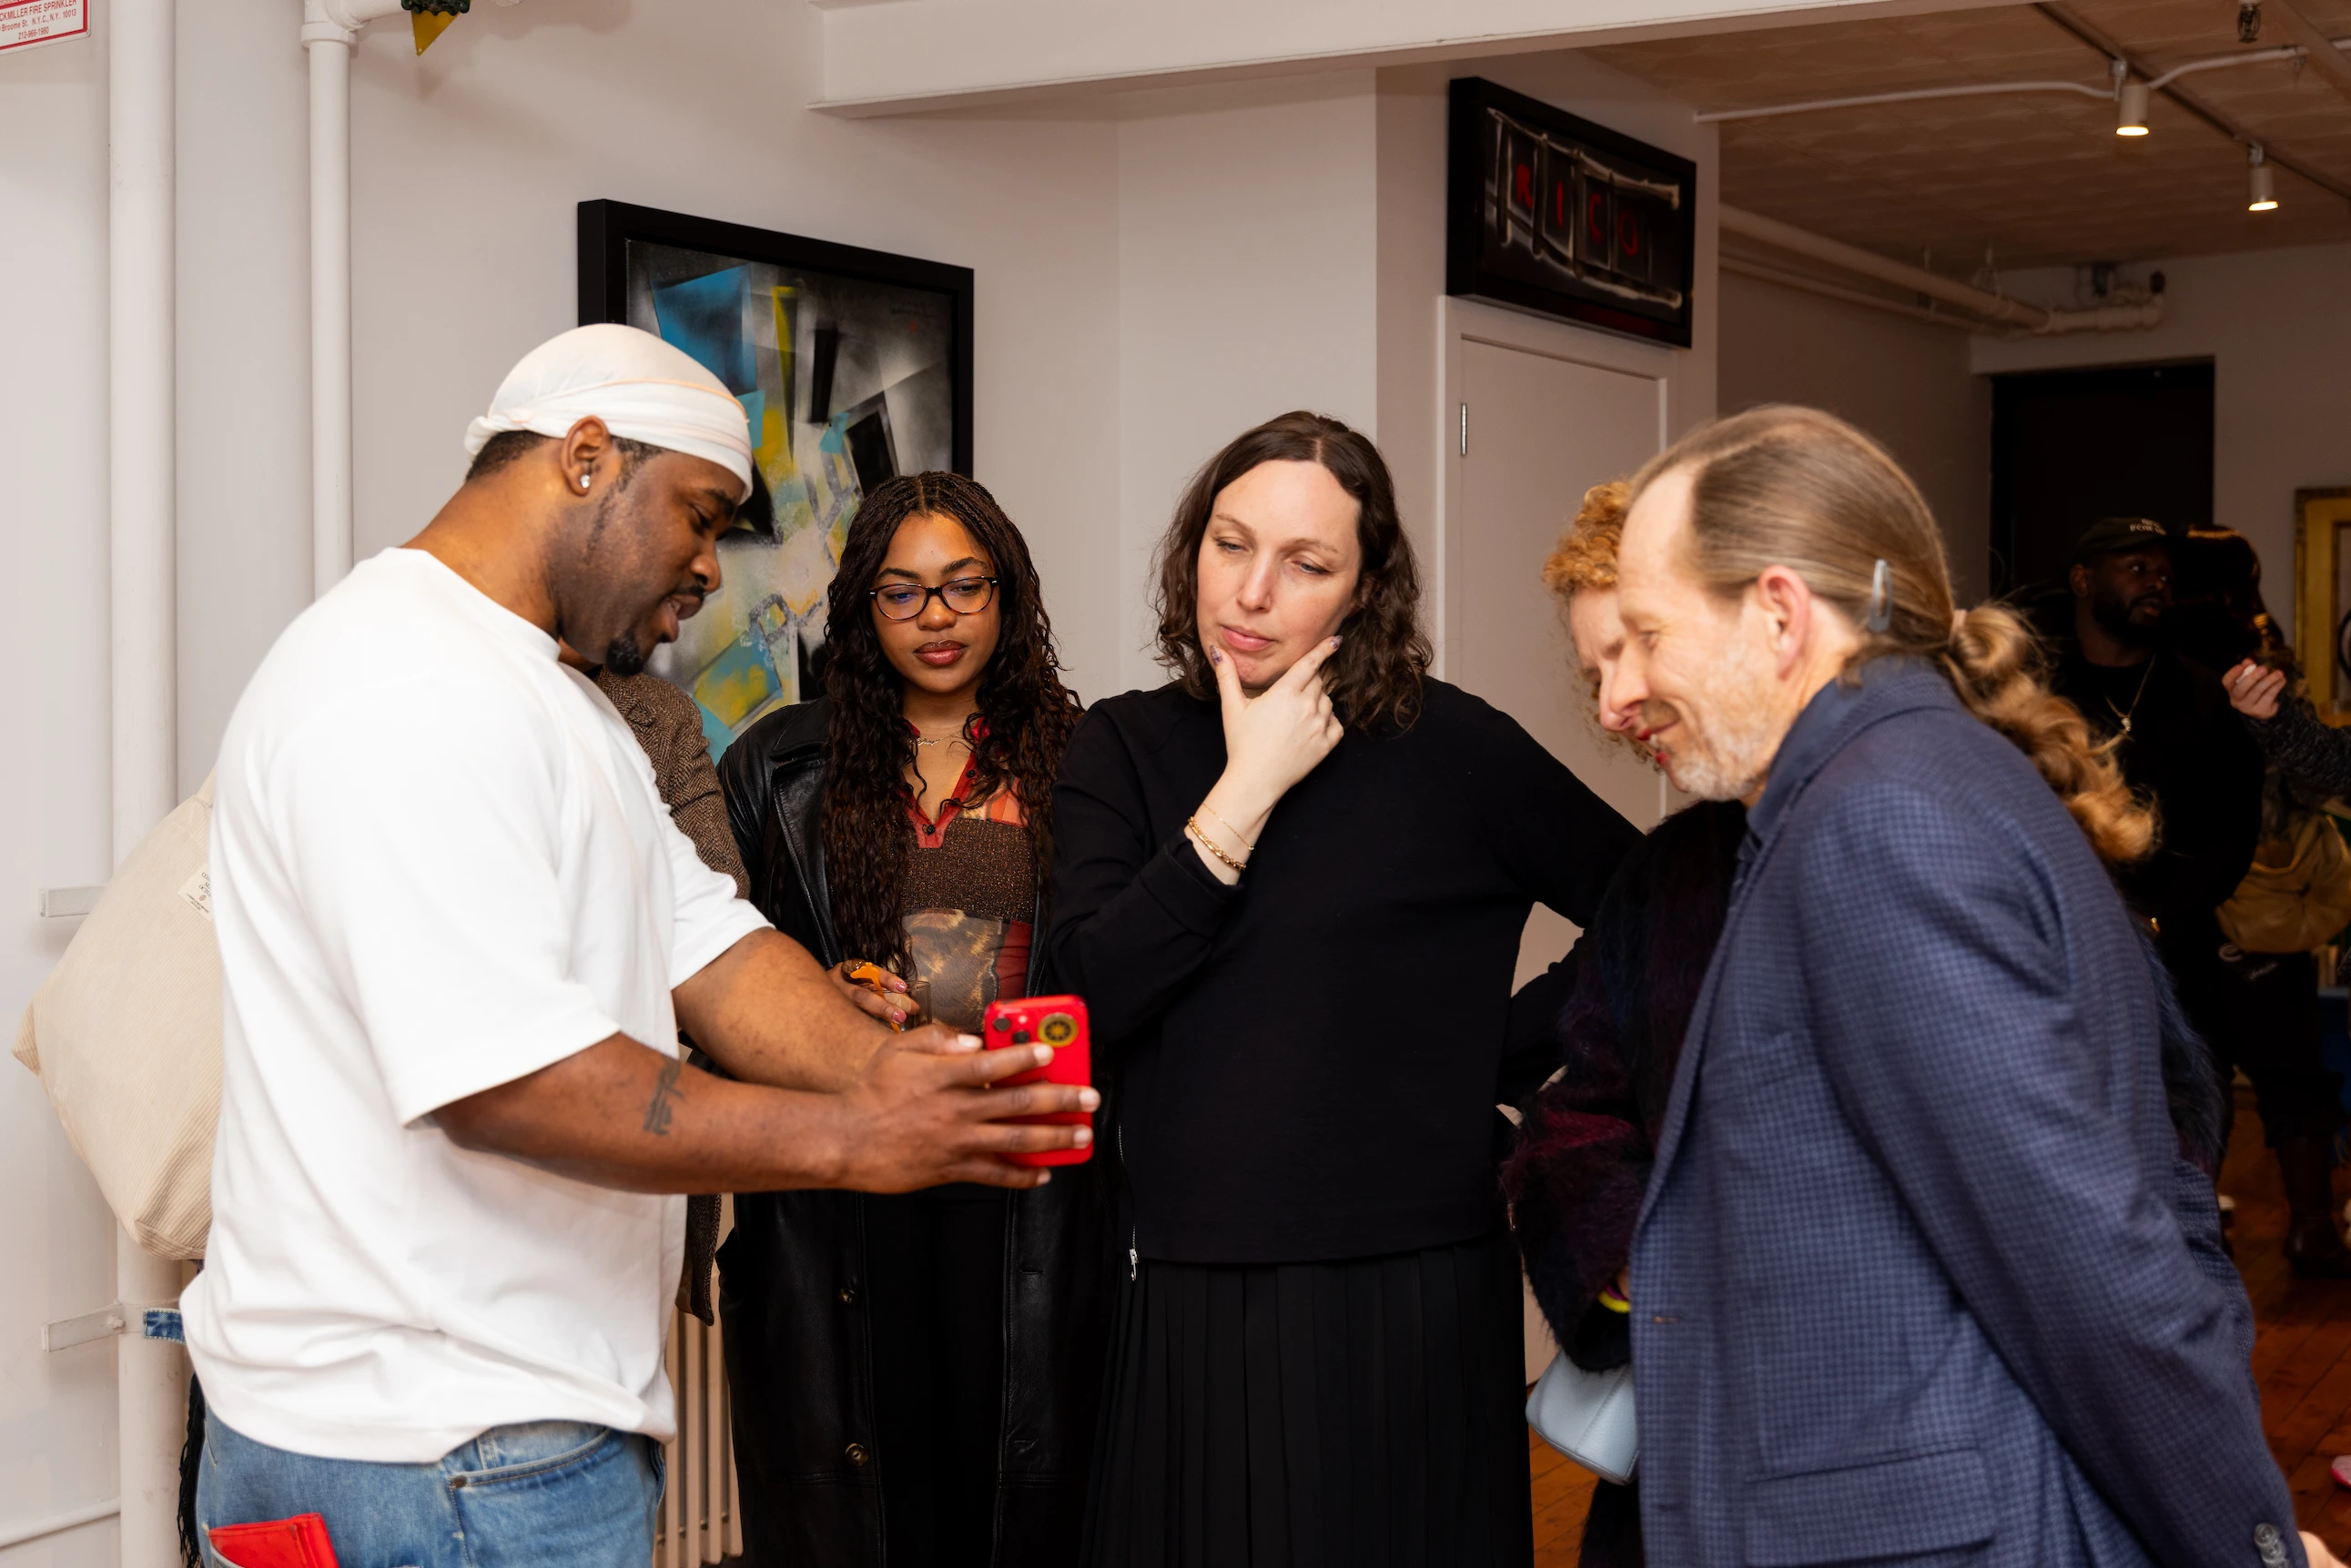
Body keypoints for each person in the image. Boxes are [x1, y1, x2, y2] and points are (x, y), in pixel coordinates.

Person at [183, 326, 1096, 1568]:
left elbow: (707, 943)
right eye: (701, 516)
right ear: (586, 460)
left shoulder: (550, 699)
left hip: (514, 1435)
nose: (710, 568)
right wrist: (848, 1138)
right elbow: (506, 1079)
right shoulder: (400, 687)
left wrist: (892, 1072)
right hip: (420, 1453)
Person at [1604, 403, 2326, 1568]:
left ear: (1779, 614)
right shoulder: (1899, 788)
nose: (1618, 688)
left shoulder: (1884, 818)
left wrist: (2255, 1550)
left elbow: (2093, 1260)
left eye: (1645, 633)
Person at [1048, 411, 1639, 1568]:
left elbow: (1654, 902)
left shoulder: (1455, 748)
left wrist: (1499, 1049)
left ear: (1365, 593)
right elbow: (1091, 995)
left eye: (1307, 564)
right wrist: (1245, 790)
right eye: (1230, 544)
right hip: (1191, 1283)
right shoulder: (1119, 748)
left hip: (1414, 1290)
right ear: (1191, 551)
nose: (1254, 590)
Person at [716, 471, 1107, 1568]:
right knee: (875, 1505)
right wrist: (819, 996)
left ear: (1007, 592)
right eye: (903, 593)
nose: (936, 617)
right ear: (863, 608)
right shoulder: (781, 763)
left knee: (1015, 1496)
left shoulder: (1088, 760)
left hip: (1030, 1185)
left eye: (962, 586)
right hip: (849, 1186)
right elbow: (709, 958)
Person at [1502, 481, 1745, 1568]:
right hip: (1685, 1454)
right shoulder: (1665, 879)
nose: (1609, 704)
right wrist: (1640, 1253)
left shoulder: (1944, 830)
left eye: (1633, 652)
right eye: (1592, 666)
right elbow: (1579, 1114)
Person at [2168, 527, 2351, 1276]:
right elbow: (2319, 776)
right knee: (2283, 1068)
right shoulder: (2254, 648)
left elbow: (2323, 768)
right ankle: (2309, 1229)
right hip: (2248, 892)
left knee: (2197, 1069)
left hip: (2204, 889)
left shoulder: (2180, 656)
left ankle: (2202, 1232)